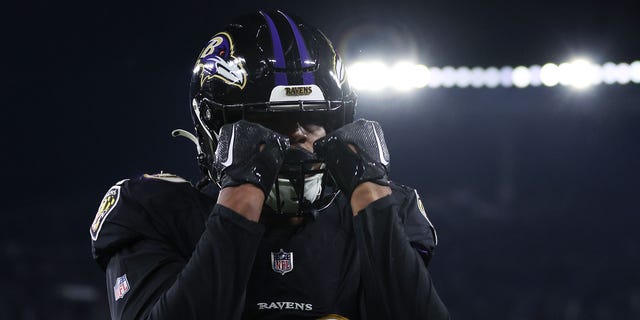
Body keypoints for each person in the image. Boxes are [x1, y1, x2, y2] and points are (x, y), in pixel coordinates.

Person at [90, 9, 449, 320]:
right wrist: (241, 197)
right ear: (214, 129)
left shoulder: (384, 211)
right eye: (270, 123)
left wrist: (372, 198)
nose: (297, 137)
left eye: (313, 120)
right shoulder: (156, 211)